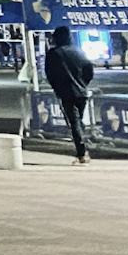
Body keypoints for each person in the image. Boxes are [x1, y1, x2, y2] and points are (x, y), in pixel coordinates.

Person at [43, 25, 95, 164]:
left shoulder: (54, 53)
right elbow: (89, 70)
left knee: (74, 122)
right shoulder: (79, 51)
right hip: (82, 92)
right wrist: (83, 84)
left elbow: (50, 74)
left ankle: (82, 152)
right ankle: (83, 148)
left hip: (66, 92)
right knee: (78, 121)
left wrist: (57, 88)